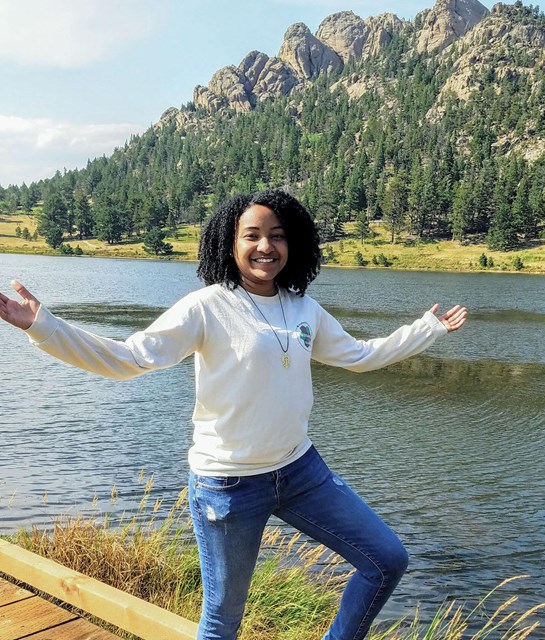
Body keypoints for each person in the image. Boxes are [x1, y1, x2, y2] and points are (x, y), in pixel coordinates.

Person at [0, 188, 467, 640]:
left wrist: (425, 329)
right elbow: (130, 358)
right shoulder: (207, 306)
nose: (266, 246)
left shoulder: (304, 308)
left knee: (386, 559)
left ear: (294, 243)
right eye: (252, 235)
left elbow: (361, 355)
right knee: (223, 621)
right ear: (230, 241)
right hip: (228, 484)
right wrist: (44, 327)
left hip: (300, 470)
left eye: (278, 235)